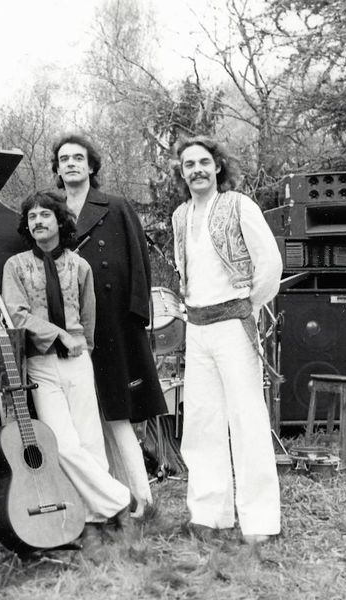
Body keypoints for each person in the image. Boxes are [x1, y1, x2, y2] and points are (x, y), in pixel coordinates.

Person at [2, 190, 134, 561]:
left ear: (60, 221)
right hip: (41, 363)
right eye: (32, 217)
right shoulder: (16, 266)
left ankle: (92, 524)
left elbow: (88, 317)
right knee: (63, 445)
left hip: (77, 361)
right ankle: (121, 501)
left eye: (45, 215)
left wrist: (82, 348)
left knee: (91, 443)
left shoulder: (80, 266)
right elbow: (17, 314)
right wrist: (57, 334)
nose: (38, 222)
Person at [170, 136, 282, 545]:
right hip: (197, 328)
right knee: (201, 422)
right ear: (182, 173)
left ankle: (260, 521)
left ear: (217, 166)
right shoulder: (180, 215)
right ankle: (209, 514)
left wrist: (248, 306)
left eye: (203, 162)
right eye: (188, 165)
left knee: (247, 419)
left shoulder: (239, 205)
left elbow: (270, 263)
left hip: (234, 324)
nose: (197, 170)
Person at [51, 133, 167, 516]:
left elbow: (139, 260)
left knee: (118, 413)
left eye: (78, 158)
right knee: (82, 417)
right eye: (64, 159)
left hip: (114, 322)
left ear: (91, 166)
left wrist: (137, 316)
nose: (71, 164)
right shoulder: (50, 210)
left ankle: (142, 499)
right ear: (57, 169)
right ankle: (101, 501)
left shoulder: (115, 206)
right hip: (70, 325)